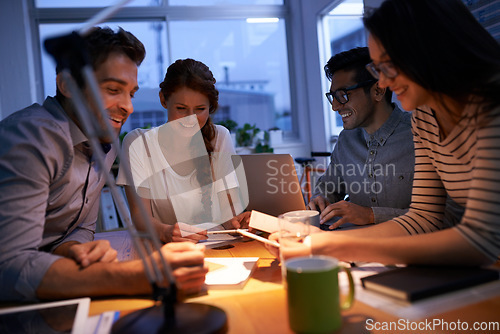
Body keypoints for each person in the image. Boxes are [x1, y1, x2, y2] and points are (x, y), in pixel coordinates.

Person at [269, 0, 500, 266]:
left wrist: (335, 247)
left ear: (429, 50)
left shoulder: (491, 104)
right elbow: (423, 217)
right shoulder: (425, 118)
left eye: (388, 66)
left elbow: (481, 241)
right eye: (377, 69)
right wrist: (320, 242)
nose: (383, 82)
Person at [0, 27, 207, 302]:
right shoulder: (30, 139)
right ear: (66, 85)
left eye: (131, 93)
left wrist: (72, 249)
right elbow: (9, 270)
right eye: (113, 90)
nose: (128, 106)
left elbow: (80, 228)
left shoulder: (102, 144)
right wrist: (139, 276)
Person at [117, 58, 249, 244]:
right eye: (181, 108)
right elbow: (140, 218)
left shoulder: (219, 137)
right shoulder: (138, 143)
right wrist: (165, 232)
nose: (190, 119)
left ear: (210, 107)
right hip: (165, 250)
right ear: (163, 99)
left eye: (200, 109)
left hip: (218, 247)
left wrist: (237, 222)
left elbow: (228, 216)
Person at [308, 47, 414, 230]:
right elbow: (329, 187)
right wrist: (321, 199)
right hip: (358, 251)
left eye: (343, 95)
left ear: (378, 91)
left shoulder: (419, 136)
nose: (334, 107)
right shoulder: (346, 140)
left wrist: (371, 215)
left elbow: (439, 216)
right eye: (333, 97)